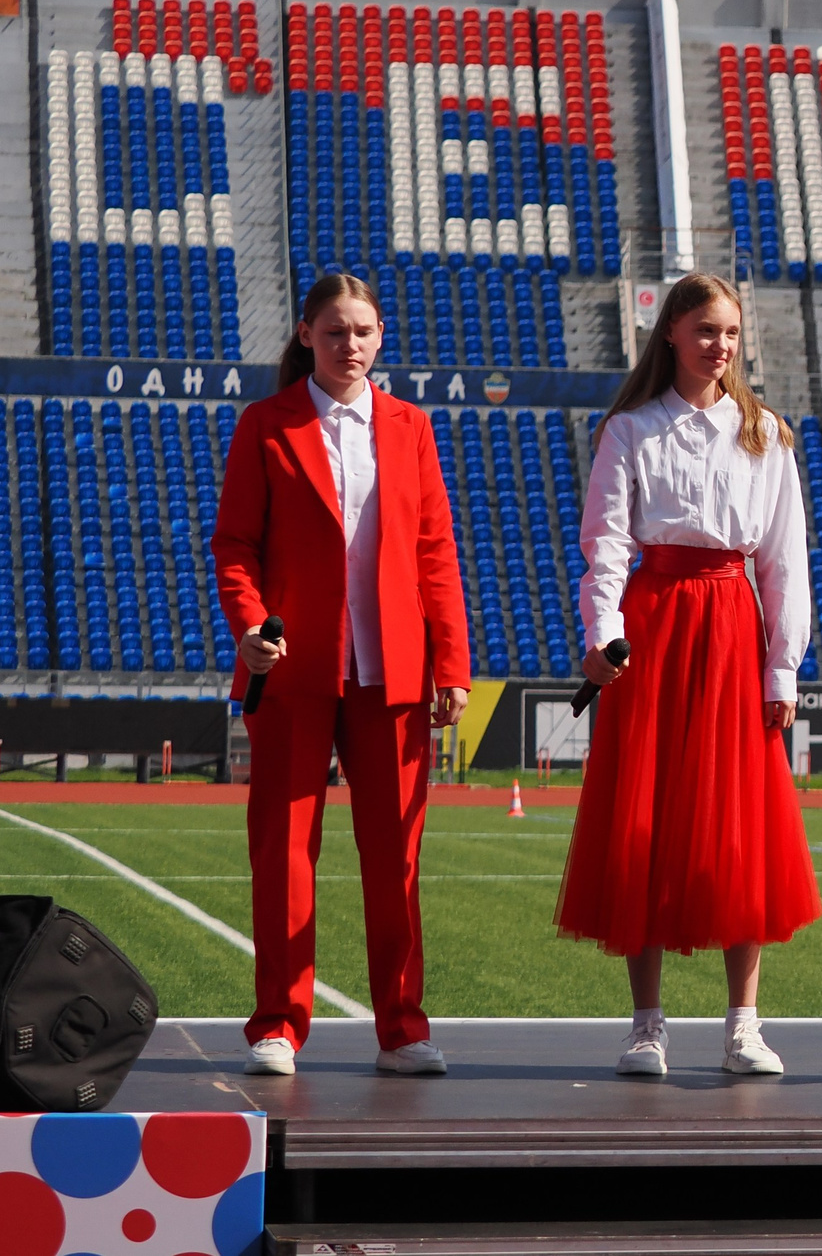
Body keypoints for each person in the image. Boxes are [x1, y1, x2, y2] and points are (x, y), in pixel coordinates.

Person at [559, 273, 820, 1078]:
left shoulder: (765, 432)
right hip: (655, 626)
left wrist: (782, 668)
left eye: (731, 332)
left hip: (734, 628)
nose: (721, 345)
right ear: (670, 330)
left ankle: (744, 1024)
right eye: (706, 329)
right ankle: (647, 1024)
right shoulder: (630, 429)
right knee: (642, 819)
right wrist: (603, 634)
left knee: (740, 824)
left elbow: (785, 560)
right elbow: (605, 544)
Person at [214, 273, 471, 1077]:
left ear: (381, 335)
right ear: (305, 335)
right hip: (292, 670)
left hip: (393, 671)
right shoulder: (266, 424)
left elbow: (435, 549)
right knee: (284, 853)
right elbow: (234, 545)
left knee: (396, 859)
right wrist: (250, 625)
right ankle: (278, 1024)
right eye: (333, 331)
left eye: (361, 331)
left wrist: (451, 662)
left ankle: (402, 1027)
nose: (348, 344)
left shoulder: (410, 426)